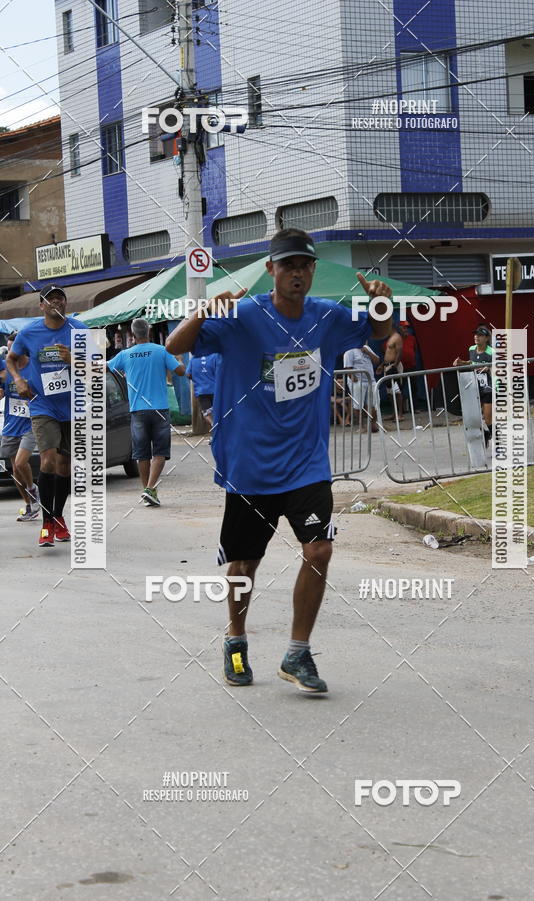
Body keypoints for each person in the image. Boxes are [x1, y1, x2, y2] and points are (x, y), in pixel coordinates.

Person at [166, 227, 392, 694]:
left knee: (320, 548)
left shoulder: (326, 317)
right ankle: (235, 638)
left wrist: (382, 303)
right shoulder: (243, 317)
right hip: (249, 463)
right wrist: (207, 308)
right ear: (271, 270)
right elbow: (175, 346)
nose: (297, 273)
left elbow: (380, 332)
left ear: (312, 270)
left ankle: (297, 652)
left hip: (306, 462)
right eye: (287, 265)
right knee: (245, 565)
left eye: (305, 265)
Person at [7, 285, 88, 548]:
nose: (55, 302)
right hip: (42, 406)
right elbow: (11, 358)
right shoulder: (30, 332)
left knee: (65, 466)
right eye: (49, 299)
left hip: (73, 406)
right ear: (41, 305)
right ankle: (45, 524)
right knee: (48, 460)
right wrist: (18, 379)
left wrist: (73, 359)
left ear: (65, 303)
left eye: (59, 298)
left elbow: (98, 366)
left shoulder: (81, 329)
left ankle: (58, 517)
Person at [108, 317, 185, 507]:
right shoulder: (161, 351)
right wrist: (180, 360)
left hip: (138, 411)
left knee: (142, 453)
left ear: (132, 335)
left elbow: (103, 367)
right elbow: (181, 371)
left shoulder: (125, 355)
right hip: (159, 409)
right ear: (149, 331)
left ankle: (148, 490)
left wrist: (74, 361)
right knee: (159, 451)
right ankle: (150, 489)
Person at [0, 333, 40, 521]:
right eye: (8, 350)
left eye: (13, 349)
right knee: (15, 471)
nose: (11, 353)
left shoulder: (34, 366)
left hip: (30, 423)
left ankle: (33, 490)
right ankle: (29, 506)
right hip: (11, 424)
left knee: (20, 462)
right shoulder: (6, 368)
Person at [453, 325, 494, 444]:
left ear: (486, 338)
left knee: (488, 418)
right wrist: (462, 363)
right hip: (475, 387)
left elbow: (501, 367)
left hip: (488, 387)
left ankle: (498, 443)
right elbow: (472, 362)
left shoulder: (492, 352)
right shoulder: (471, 349)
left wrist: (489, 367)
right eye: (475, 334)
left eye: (480, 335)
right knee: (474, 417)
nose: (476, 337)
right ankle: (486, 433)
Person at [342, 343, 380, 432]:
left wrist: (368, 353)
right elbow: (348, 368)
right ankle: (362, 426)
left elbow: (377, 361)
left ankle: (373, 425)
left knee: (375, 403)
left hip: (371, 380)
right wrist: (354, 379)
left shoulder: (366, 347)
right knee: (358, 405)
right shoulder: (349, 350)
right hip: (358, 381)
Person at [186, 352, 220, 432]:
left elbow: (188, 374)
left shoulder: (194, 358)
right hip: (215, 389)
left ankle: (213, 427)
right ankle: (216, 430)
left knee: (207, 413)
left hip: (201, 391)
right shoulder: (215, 356)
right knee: (217, 412)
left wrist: (197, 379)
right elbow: (220, 371)